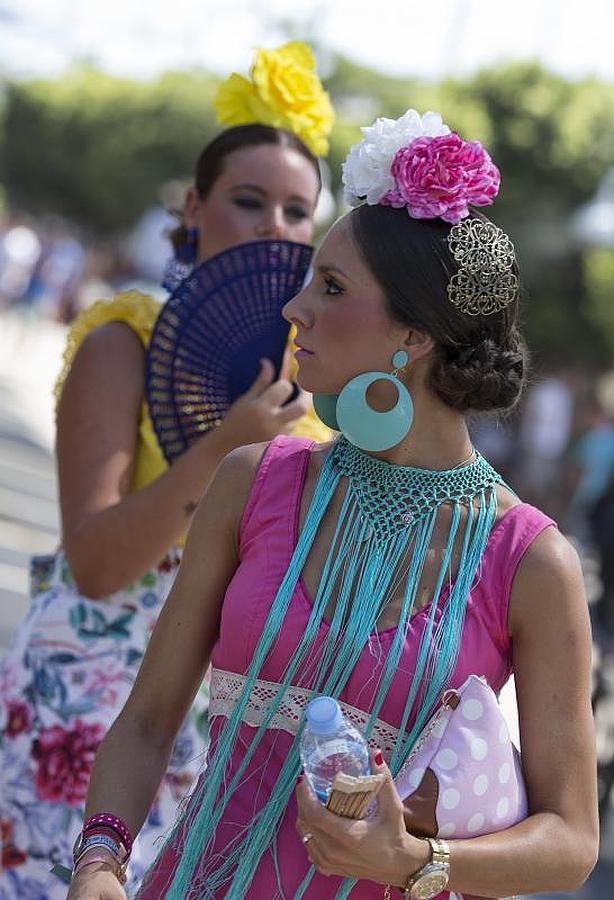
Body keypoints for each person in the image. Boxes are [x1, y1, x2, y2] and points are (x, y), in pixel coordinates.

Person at [66, 110, 597, 900]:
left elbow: (573, 840)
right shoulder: (254, 481)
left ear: (415, 336)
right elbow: (146, 722)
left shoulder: (530, 561)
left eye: (334, 287)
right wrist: (100, 863)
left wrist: (418, 864)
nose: (295, 308)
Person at [0, 42, 334, 898]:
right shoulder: (128, 337)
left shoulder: (322, 383)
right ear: (193, 205)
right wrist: (225, 446)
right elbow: (99, 562)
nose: (275, 227)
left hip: (206, 747)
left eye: (300, 212)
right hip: (82, 711)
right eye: (249, 200)